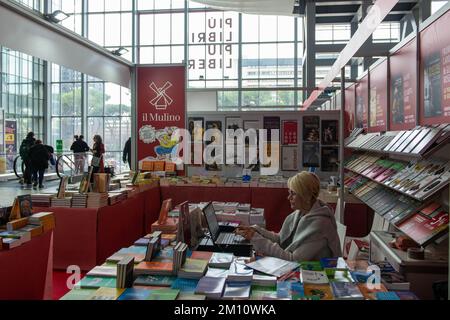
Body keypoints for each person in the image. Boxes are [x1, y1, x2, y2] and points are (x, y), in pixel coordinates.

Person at [235, 171, 342, 261]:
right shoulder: (301, 213)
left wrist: (257, 239)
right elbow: (281, 239)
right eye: (289, 193)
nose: (288, 197)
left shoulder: (320, 225)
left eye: (293, 193)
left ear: (306, 196)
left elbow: (293, 260)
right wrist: (256, 230)